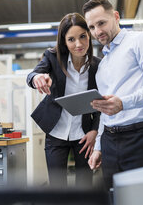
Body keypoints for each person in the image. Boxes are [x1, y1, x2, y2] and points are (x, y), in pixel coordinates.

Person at [82, 0, 143, 190]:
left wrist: (124, 103)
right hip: (110, 142)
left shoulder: (141, 41)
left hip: (141, 138)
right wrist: (98, 147)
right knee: (115, 198)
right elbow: (105, 112)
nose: (97, 31)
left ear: (115, 17)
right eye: (92, 27)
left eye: (101, 23)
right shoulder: (102, 66)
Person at [26, 13, 101, 188]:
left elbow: (101, 103)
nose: (79, 44)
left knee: (85, 187)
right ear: (64, 42)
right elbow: (32, 75)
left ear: (89, 35)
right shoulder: (52, 57)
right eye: (71, 39)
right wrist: (37, 78)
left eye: (83, 36)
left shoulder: (97, 66)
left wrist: (95, 131)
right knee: (57, 188)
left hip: (84, 134)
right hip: (56, 132)